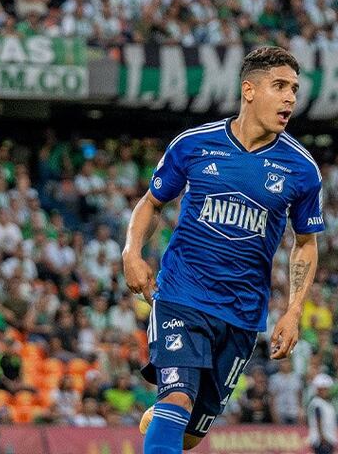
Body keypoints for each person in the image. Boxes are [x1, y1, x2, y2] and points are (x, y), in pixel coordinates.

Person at [126, 46, 324, 453]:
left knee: (190, 434)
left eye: (295, 89)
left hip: (242, 313)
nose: (290, 97)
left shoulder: (302, 169)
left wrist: (293, 309)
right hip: (182, 294)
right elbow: (151, 203)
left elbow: (305, 243)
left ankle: (163, 420)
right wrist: (131, 252)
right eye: (280, 86)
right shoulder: (194, 144)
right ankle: (168, 407)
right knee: (178, 397)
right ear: (249, 90)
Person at [307, 373, 338, 454]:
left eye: (327, 389)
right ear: (318, 389)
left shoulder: (326, 403)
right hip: (322, 441)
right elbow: (318, 420)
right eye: (324, 389)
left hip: (329, 438)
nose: (326, 391)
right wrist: (323, 439)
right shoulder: (317, 403)